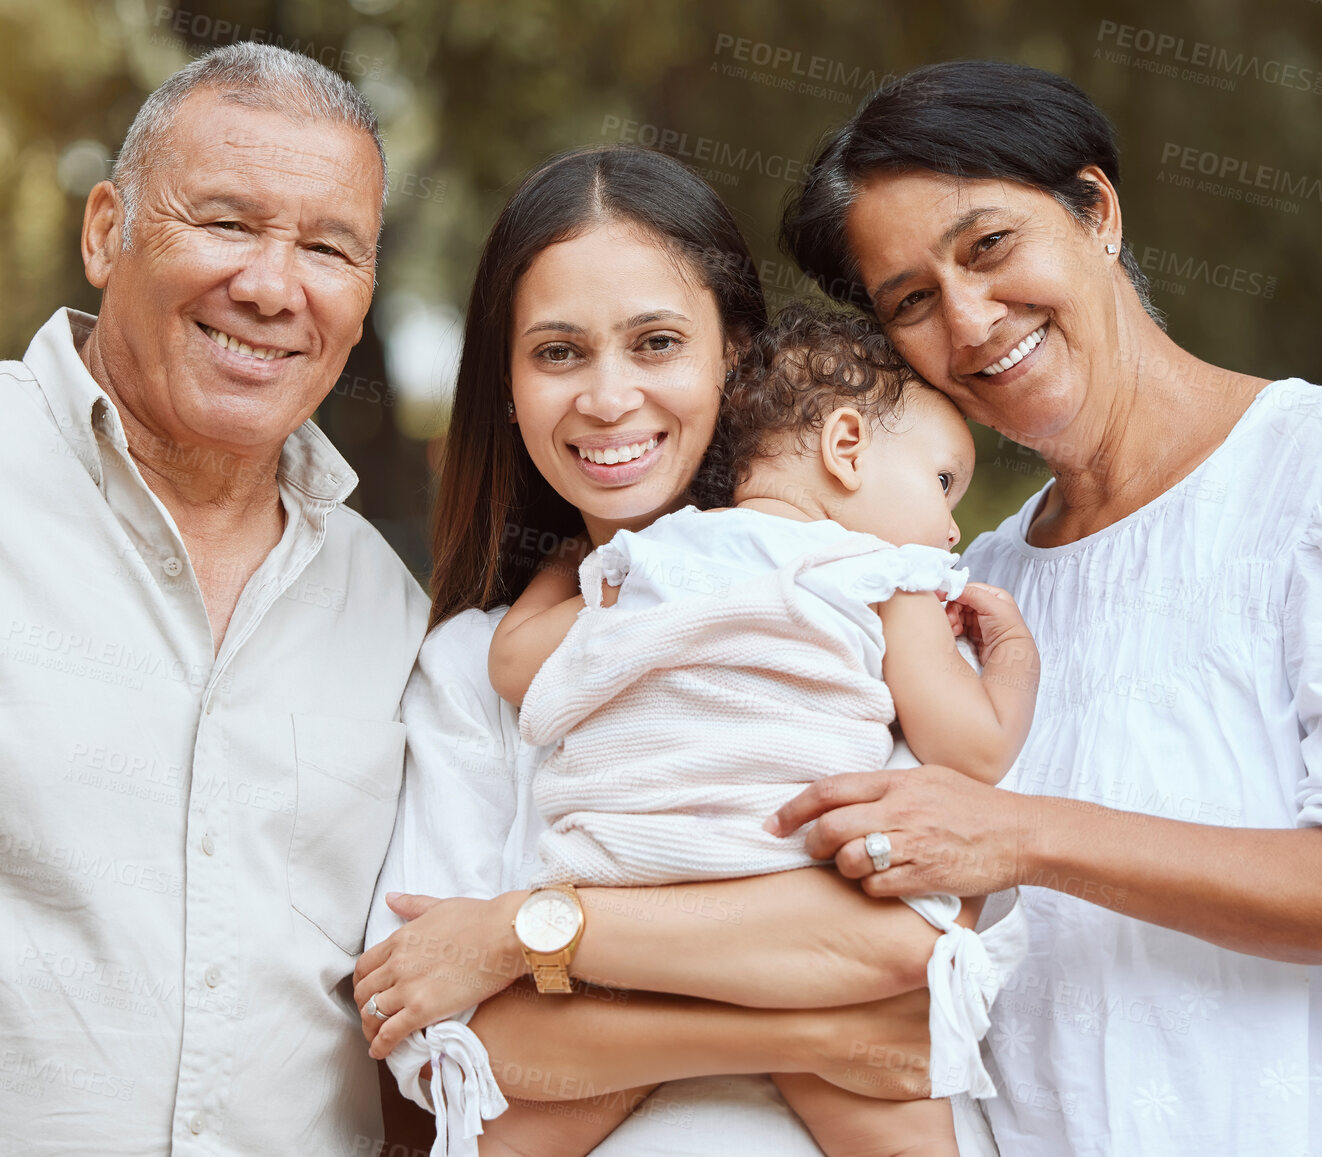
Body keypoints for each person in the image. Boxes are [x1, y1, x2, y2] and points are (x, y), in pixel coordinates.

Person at [770, 59, 1322, 1154]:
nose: (967, 321)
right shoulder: (964, 595)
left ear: (1094, 211)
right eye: (910, 300)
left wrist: (1021, 835)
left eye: (988, 246)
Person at [0, 44, 426, 1153]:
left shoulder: (387, 609)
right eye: (223, 221)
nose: (269, 284)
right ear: (106, 230)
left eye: (327, 247)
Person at [355, 144, 1016, 1157]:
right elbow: (464, 1063)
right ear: (507, 379)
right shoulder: (472, 666)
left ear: (733, 356)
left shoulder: (845, 603)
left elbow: (902, 941)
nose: (608, 396)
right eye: (558, 351)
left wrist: (519, 935)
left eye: (655, 341)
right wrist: (817, 1027)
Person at [469, 303, 1040, 1155]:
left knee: (506, 1130)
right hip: (788, 915)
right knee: (900, 1126)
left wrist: (565, 566)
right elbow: (976, 747)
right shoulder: (881, 575)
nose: (952, 525)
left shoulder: (652, 559)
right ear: (845, 446)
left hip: (622, 894)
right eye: (941, 481)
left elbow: (514, 663)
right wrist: (1012, 656)